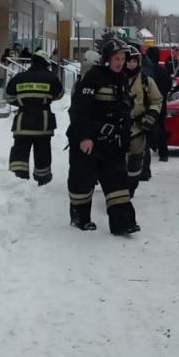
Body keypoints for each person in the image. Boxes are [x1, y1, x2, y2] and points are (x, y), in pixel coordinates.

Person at [66, 40, 140, 235]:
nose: (120, 63)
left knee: (117, 182)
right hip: (89, 141)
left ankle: (123, 224)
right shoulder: (93, 77)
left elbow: (123, 112)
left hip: (112, 142)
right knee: (82, 181)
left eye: (123, 59)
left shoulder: (122, 78)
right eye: (116, 59)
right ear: (107, 59)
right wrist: (84, 137)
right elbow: (79, 110)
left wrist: (124, 140)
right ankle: (80, 219)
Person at [5, 49, 64, 185]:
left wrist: (22, 102)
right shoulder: (51, 78)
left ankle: (18, 177)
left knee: (20, 148)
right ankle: (42, 178)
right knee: (42, 151)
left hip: (22, 121)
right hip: (42, 123)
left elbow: (8, 97)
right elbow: (59, 94)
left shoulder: (19, 78)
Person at [124, 46, 163, 194]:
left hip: (138, 128)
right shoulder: (114, 79)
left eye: (134, 61)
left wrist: (151, 115)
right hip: (117, 128)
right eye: (128, 61)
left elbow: (157, 100)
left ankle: (131, 188)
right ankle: (118, 189)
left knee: (135, 160)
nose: (130, 65)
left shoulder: (146, 81)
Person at [143, 45, 173, 164]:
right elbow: (169, 85)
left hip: (148, 104)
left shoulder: (145, 71)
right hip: (162, 103)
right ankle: (163, 153)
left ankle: (147, 151)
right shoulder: (163, 70)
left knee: (146, 127)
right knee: (161, 128)